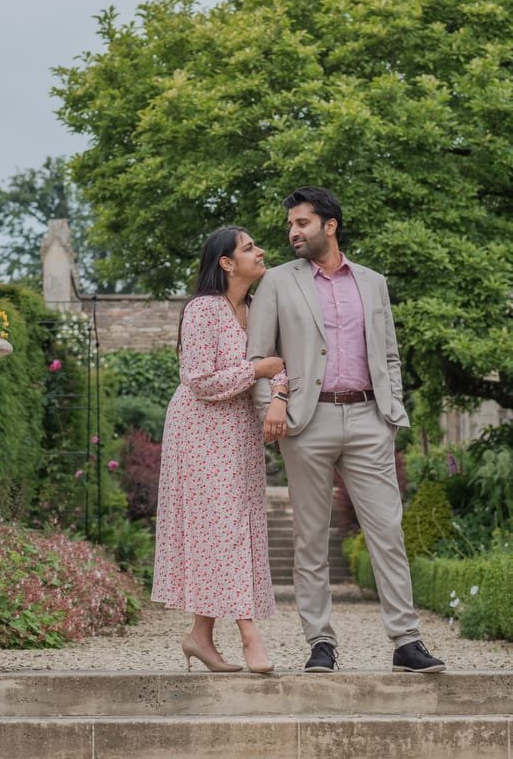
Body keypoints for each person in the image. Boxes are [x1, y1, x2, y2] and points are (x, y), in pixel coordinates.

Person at [247, 187, 445, 674]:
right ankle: (321, 643)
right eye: (291, 224)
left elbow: (390, 354)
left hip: (367, 419)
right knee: (310, 539)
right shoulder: (275, 282)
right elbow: (257, 358)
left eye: (303, 223)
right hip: (304, 423)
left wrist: (391, 414)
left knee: (388, 533)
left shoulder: (373, 283)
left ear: (329, 226)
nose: (293, 232)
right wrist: (273, 412)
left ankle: (406, 641)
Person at [151, 226, 285, 673]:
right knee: (225, 528)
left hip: (241, 432)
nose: (260, 251)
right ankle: (250, 637)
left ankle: (200, 637)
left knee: (233, 529)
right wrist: (256, 370)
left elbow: (280, 362)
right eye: (249, 248)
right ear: (226, 263)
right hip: (200, 431)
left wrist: (278, 391)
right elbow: (201, 380)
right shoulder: (203, 310)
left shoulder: (257, 308)